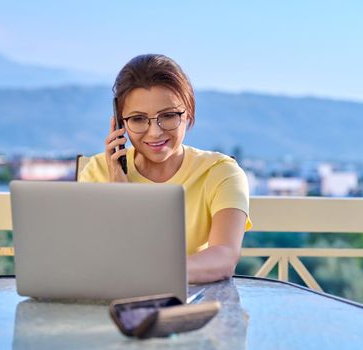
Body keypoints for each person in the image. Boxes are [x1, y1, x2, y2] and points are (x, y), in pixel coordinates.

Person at [78, 54, 251, 284]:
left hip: (191, 307)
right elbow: (91, 259)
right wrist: (119, 195)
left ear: (188, 113)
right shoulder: (97, 171)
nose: (155, 132)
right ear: (120, 123)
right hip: (108, 306)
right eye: (138, 119)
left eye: (168, 116)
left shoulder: (221, 172)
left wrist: (154, 274)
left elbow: (224, 257)